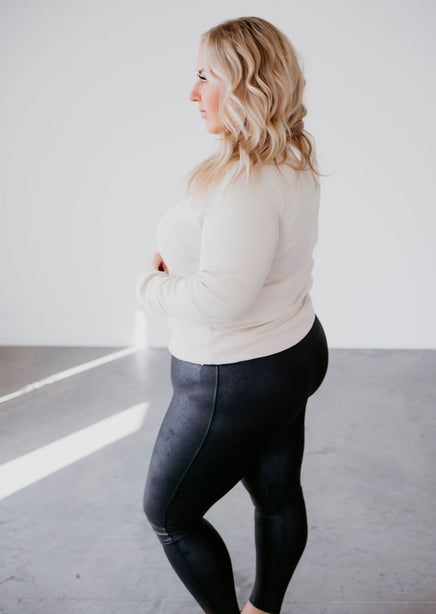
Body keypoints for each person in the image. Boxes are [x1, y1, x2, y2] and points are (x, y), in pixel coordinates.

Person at [136, 16, 329, 614]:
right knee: (278, 496)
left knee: (169, 514)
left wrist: (151, 287)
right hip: (292, 352)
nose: (192, 92)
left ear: (248, 83)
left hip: (234, 375)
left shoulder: (244, 184)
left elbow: (222, 298)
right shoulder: (292, 153)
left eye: (205, 76)